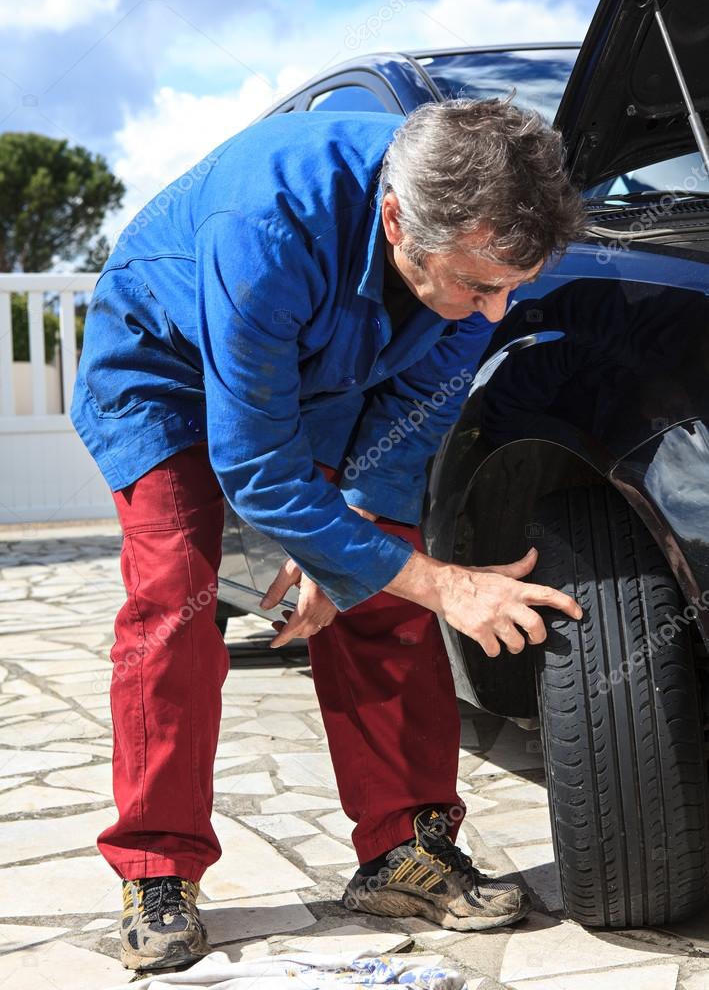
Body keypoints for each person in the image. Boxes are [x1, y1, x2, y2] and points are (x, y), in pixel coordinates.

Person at [70, 96, 585, 974]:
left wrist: (352, 552)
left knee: (384, 592)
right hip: (166, 368)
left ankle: (403, 852)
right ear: (396, 220)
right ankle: (158, 868)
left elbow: (408, 427)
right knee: (175, 598)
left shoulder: (471, 266)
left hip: (321, 378)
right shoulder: (266, 225)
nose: (496, 312)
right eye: (477, 286)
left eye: (513, 285)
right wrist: (444, 580)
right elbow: (255, 463)